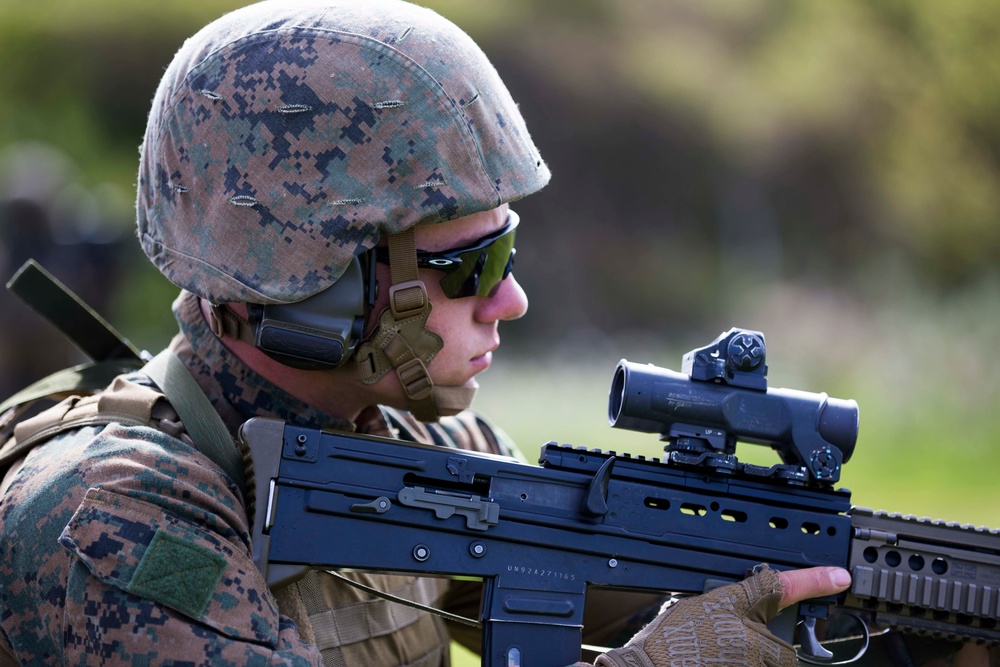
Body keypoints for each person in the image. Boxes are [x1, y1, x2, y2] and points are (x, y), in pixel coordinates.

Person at [3, 0, 976, 664]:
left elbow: (710, 607)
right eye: (470, 267)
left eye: (504, 254)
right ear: (317, 281)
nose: (509, 301)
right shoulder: (106, 524)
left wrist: (907, 630)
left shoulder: (427, 451)